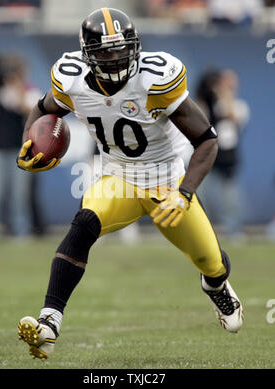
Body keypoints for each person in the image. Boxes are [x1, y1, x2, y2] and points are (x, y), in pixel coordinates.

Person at [16, 8, 243, 360]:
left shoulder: (155, 78)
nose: (116, 57)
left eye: (122, 49)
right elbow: (43, 107)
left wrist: (184, 194)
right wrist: (29, 140)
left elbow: (207, 140)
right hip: (117, 179)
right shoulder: (71, 79)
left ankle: (215, 284)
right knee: (83, 225)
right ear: (88, 55)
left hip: (166, 183)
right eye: (105, 52)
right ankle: (49, 322)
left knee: (211, 261)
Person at [0, 54, 41, 238]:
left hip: (20, 148)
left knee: (19, 196)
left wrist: (17, 86)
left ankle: (21, 232)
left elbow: (29, 110)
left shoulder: (28, 90)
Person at [196, 69, 249, 238]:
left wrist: (224, 94)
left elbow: (231, 115)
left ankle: (234, 231)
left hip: (228, 160)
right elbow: (199, 115)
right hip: (208, 156)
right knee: (201, 195)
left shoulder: (239, 106)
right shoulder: (208, 103)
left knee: (230, 198)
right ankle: (201, 230)